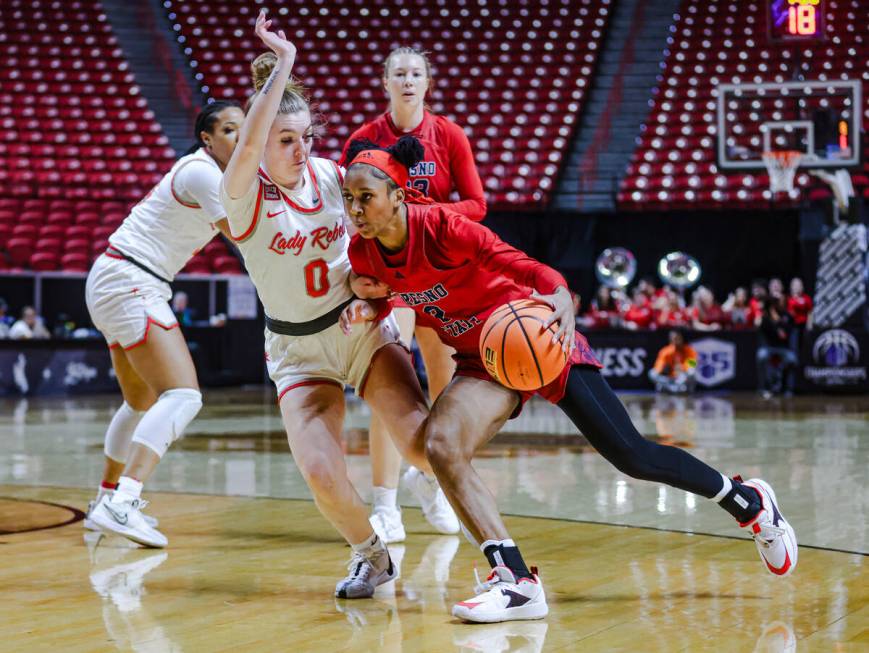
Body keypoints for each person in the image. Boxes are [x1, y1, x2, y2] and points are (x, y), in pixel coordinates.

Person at [342, 135, 798, 623]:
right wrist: (368, 304)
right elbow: (397, 293)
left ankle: (750, 503)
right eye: (348, 199)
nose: (355, 209)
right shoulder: (364, 254)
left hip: (534, 336)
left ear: (399, 194)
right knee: (441, 444)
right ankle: (515, 580)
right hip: (482, 360)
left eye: (365, 197)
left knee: (632, 455)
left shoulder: (446, 226)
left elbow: (524, 265)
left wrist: (559, 293)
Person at [218, 11, 452, 600]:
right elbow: (248, 142)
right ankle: (372, 556)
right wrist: (286, 63)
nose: (301, 150)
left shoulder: (334, 177)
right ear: (263, 138)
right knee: (322, 474)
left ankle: (451, 505)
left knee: (427, 446)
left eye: (307, 138)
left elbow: (388, 241)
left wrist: (387, 295)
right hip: (296, 350)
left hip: (360, 332)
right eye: (286, 140)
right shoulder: (242, 195)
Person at [84, 99, 246, 547]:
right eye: (230, 129)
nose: (240, 136)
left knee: (139, 401)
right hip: (131, 279)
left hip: (115, 275)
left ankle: (105, 498)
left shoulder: (217, 175)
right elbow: (243, 237)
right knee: (184, 395)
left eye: (245, 129)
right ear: (207, 139)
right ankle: (123, 501)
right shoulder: (202, 173)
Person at [338, 46, 480, 543]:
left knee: (443, 389)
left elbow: (478, 204)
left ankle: (430, 482)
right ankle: (385, 504)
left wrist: (427, 216)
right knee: (394, 386)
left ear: (427, 82)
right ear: (385, 82)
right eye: (398, 72)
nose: (407, 79)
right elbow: (346, 205)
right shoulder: (363, 139)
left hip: (437, 272)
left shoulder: (449, 135)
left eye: (416, 72)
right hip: (391, 273)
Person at [756, 297, 797, 398]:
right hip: (769, 347)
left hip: (784, 348)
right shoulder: (765, 318)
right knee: (761, 356)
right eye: (773, 304)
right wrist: (770, 320)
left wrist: (778, 321)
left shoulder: (787, 316)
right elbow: (763, 330)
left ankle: (788, 388)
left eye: (778, 303)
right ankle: (764, 388)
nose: (776, 306)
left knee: (792, 359)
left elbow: (784, 335)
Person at [649, 329, 698, 393]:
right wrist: (663, 368)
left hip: (682, 378)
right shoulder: (665, 351)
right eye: (673, 339)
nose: (676, 341)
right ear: (670, 340)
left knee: (692, 372)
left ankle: (677, 389)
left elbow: (692, 365)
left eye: (678, 338)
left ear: (682, 338)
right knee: (652, 373)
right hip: (670, 379)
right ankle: (672, 389)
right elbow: (658, 367)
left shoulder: (690, 351)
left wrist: (682, 367)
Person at [786, 277, 812, 350]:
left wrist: (809, 325)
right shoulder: (789, 299)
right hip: (793, 326)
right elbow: (790, 312)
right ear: (791, 287)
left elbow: (810, 312)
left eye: (799, 285)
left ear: (802, 287)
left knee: (805, 345)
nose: (797, 287)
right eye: (795, 285)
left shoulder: (806, 298)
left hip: (804, 326)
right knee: (794, 345)